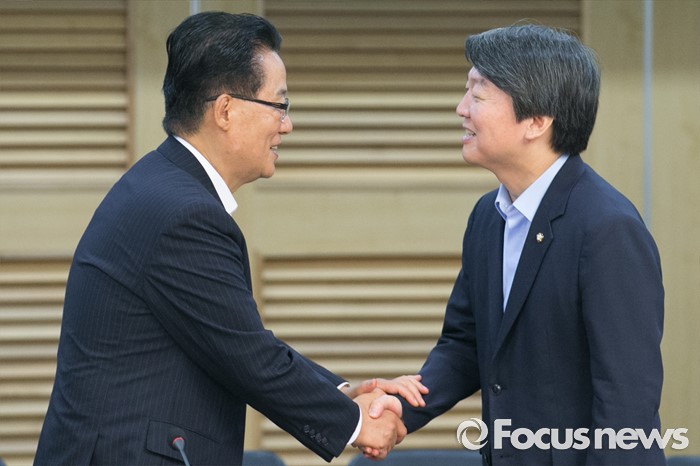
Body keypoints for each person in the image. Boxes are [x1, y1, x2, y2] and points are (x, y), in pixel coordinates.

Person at [34, 12, 427, 465]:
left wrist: (342, 394)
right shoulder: (184, 214)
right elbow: (249, 356)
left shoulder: (163, 186)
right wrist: (357, 422)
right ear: (225, 110)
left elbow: (234, 340)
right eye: (279, 105)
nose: (286, 125)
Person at [371, 24, 665, 465]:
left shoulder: (607, 228)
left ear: (537, 121)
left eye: (478, 94)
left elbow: (627, 403)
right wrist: (403, 410)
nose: (461, 108)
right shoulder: (488, 216)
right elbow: (464, 345)